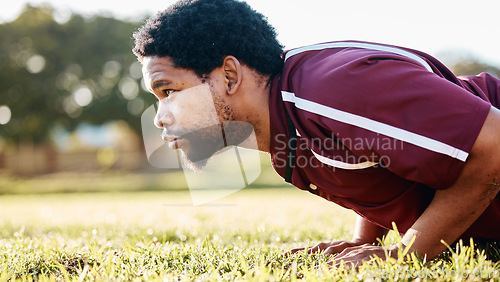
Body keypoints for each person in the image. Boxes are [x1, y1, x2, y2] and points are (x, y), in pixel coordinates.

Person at [132, 0, 500, 267]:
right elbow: (377, 159)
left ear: (229, 75)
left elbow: (494, 145)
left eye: (168, 91)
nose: (160, 117)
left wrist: (406, 255)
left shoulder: (330, 87)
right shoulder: (285, 131)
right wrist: (364, 241)